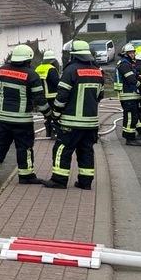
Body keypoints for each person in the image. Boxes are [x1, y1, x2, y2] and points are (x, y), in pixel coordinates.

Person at [0, 44, 52, 185]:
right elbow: (40, 99)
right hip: (22, 120)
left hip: (4, 118)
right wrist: (48, 114)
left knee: (0, 145)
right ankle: (26, 176)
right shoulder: (31, 75)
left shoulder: (0, 71)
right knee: (24, 147)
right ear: (28, 60)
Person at [41, 40, 105, 190]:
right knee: (86, 150)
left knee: (62, 149)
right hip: (91, 123)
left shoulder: (70, 71)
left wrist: (55, 115)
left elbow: (62, 96)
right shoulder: (98, 71)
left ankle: (59, 180)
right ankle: (85, 182)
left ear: (74, 56)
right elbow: (100, 96)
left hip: (71, 122)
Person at [113, 43, 141, 146]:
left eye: (133, 52)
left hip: (128, 95)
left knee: (130, 116)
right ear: (126, 54)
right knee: (131, 117)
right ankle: (130, 139)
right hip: (128, 95)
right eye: (130, 53)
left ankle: (129, 136)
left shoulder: (125, 63)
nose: (133, 55)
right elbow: (131, 79)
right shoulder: (125, 65)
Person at [35, 49, 61, 138]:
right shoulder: (51, 69)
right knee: (55, 115)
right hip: (52, 96)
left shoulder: (38, 68)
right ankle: (54, 133)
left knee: (46, 115)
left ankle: (48, 133)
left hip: (41, 96)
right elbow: (57, 82)